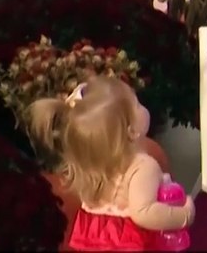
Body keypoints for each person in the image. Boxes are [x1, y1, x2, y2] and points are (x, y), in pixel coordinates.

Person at [26, 76, 195, 251]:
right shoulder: (143, 166)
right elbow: (144, 213)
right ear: (131, 130)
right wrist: (185, 215)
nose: (142, 105)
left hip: (95, 237)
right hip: (130, 242)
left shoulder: (91, 167)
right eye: (136, 103)